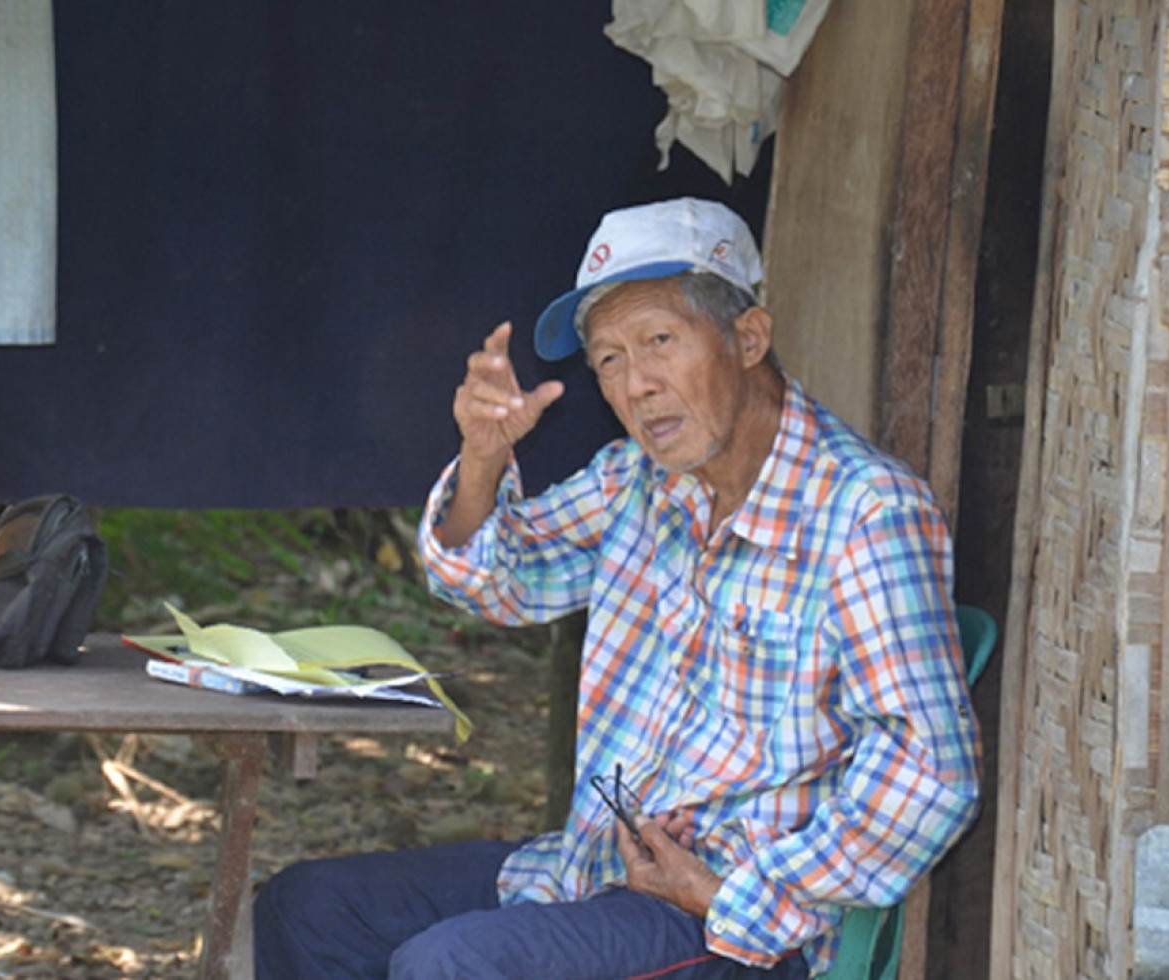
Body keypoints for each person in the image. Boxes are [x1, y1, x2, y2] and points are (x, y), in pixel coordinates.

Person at [253, 197, 983, 980]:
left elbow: (931, 769)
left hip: (738, 932)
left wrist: (734, 895)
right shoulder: (638, 482)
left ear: (747, 338)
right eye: (608, 360)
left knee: (455, 967)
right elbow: (493, 581)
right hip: (594, 872)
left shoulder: (865, 512)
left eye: (660, 341)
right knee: (308, 909)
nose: (637, 385)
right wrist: (482, 460)